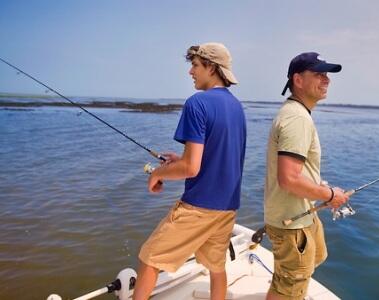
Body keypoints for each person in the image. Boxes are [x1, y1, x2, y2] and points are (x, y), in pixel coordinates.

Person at [133, 42, 246, 300]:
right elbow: (217, 156)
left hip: (199, 207)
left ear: (212, 68)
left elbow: (191, 168)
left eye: (195, 66)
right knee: (217, 268)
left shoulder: (197, 103)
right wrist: (178, 159)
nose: (190, 72)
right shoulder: (237, 107)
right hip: (227, 207)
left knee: (150, 257)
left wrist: (157, 174)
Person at [264, 52, 350, 300]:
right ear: (298, 80)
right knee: (289, 286)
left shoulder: (296, 113)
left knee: (316, 256)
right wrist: (331, 194)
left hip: (300, 217)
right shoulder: (296, 118)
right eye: (319, 74)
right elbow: (289, 179)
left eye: (327, 75)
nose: (326, 80)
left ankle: (287, 283)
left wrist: (318, 186)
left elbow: (295, 173)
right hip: (291, 223)